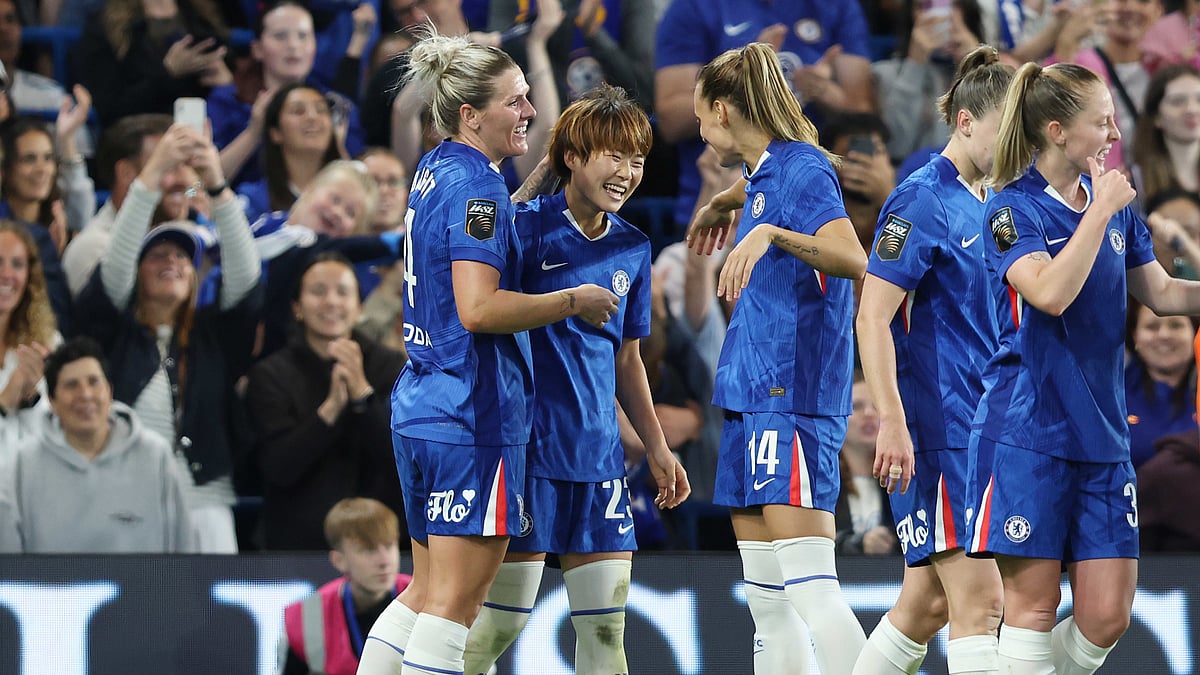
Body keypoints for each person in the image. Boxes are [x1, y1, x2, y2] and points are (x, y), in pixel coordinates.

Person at [355, 32, 637, 675]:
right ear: (470, 116)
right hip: (473, 414)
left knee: (424, 594)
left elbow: (481, 236)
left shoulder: (437, 169)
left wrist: (540, 177)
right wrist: (573, 301)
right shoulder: (477, 189)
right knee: (455, 605)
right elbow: (478, 308)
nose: (530, 112)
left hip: (423, 403)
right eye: (515, 102)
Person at [971, 59, 1200, 674]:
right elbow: (1048, 293)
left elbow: (1164, 293)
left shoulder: (1113, 205)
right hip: (1028, 434)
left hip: (1103, 433)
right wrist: (1098, 212)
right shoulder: (1008, 209)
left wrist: (1105, 210)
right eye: (1103, 123)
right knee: (1034, 608)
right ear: (1056, 132)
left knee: (1105, 617)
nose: (1116, 135)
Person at [461, 84, 690, 674]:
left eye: (637, 160)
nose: (627, 172)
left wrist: (659, 449)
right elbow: (479, 283)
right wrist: (542, 169)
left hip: (599, 460)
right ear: (572, 156)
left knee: (608, 636)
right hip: (529, 453)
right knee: (498, 627)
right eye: (613, 154)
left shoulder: (634, 246)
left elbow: (627, 360)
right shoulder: (523, 228)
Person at [686, 42, 869, 674]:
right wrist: (727, 202)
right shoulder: (767, 173)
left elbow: (852, 258)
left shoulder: (803, 168)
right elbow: (765, 190)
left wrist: (766, 233)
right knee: (769, 604)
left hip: (789, 398)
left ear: (724, 108)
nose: (698, 129)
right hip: (748, 396)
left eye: (702, 116)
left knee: (811, 589)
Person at [854, 46, 1013, 675]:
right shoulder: (920, 200)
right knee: (984, 602)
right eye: (1010, 129)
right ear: (967, 120)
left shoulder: (994, 203)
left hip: (985, 427)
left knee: (925, 606)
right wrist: (892, 420)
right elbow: (872, 315)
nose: (1019, 145)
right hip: (939, 428)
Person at [73, 124, 262, 554]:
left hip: (206, 503)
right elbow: (114, 269)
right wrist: (149, 180)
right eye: (157, 254)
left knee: (211, 622)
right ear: (137, 271)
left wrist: (215, 184)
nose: (171, 262)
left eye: (182, 256)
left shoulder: (214, 338)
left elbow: (247, 278)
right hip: (123, 498)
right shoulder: (112, 337)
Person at [247, 253, 406, 550]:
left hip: (381, 548)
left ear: (359, 306)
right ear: (297, 307)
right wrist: (330, 410)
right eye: (318, 291)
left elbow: (402, 460)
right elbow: (278, 467)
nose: (331, 302)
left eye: (343, 292)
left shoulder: (390, 366)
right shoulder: (271, 374)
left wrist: (362, 395)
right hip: (296, 546)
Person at [0, 337, 194, 553]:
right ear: (52, 402)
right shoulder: (23, 463)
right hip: (50, 588)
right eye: (71, 385)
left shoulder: (155, 455)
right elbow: (8, 562)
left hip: (141, 587)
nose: (85, 394)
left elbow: (183, 549)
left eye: (94, 382)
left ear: (110, 392)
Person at [278, 498, 413, 675]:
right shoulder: (306, 617)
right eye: (368, 550)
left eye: (389, 546)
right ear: (339, 560)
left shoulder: (428, 600)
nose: (384, 561)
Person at [61, 114, 189, 297]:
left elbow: (195, 189)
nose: (184, 180)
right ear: (126, 172)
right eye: (167, 166)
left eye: (184, 165)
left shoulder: (187, 234)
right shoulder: (94, 249)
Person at [70, 0, 233, 126]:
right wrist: (167, 73)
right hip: (136, 137)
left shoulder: (202, 16)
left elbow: (231, 79)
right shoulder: (104, 24)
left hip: (202, 128)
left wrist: (228, 83)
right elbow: (110, 107)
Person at [872, 0, 986, 165]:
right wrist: (915, 63)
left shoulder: (990, 69)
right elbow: (896, 146)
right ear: (910, 15)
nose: (941, 17)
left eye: (951, 5)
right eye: (924, 6)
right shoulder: (884, 74)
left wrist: (973, 65)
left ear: (967, 12)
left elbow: (993, 143)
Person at [237, 82, 345, 220]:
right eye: (298, 111)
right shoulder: (252, 199)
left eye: (321, 110)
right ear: (275, 133)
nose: (312, 117)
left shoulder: (350, 198)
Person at [0, 220, 55, 459]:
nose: (7, 275)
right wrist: (4, 403)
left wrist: (31, 399)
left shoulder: (46, 340)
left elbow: (54, 442)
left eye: (18, 265)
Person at [1123, 297, 1197, 469]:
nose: (1164, 335)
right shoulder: (1113, 396)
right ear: (1135, 336)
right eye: (1152, 327)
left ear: (1194, 331)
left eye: (1176, 325)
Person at [834, 373, 897, 557]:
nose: (869, 414)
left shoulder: (900, 479)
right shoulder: (820, 481)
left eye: (876, 407)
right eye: (857, 406)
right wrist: (859, 544)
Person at [1131, 64, 1200, 205]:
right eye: (1177, 101)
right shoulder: (1135, 181)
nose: (1192, 109)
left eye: (1199, 99)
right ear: (1156, 116)